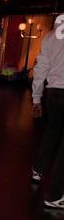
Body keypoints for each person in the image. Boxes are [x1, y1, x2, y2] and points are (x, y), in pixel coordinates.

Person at [31, 13, 64, 209]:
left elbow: (40, 68)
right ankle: (55, 195)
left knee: (51, 133)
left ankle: (37, 170)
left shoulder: (51, 36)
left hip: (53, 94)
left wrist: (36, 98)